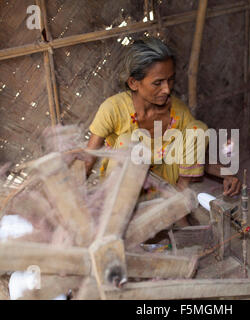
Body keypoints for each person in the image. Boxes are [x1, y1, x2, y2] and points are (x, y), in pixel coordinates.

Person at [85, 37, 241, 215]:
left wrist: (227, 174)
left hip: (165, 184)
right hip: (125, 187)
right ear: (133, 83)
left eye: (170, 80)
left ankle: (179, 199)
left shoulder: (178, 111)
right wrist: (76, 202)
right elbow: (88, 159)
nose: (167, 89)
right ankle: (120, 212)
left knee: (198, 130)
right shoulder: (112, 109)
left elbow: (192, 156)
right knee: (128, 142)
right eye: (158, 82)